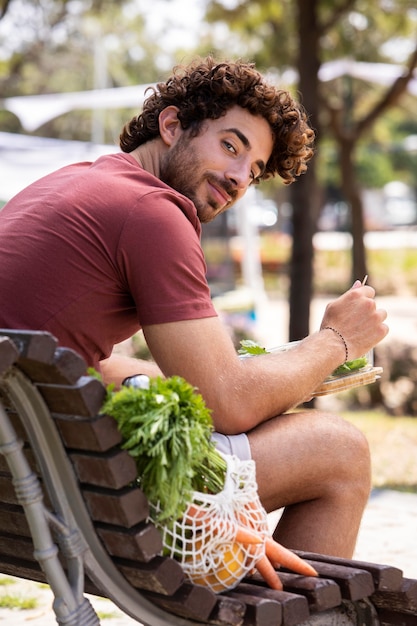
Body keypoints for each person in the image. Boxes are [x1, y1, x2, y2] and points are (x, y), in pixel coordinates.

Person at [0, 56, 388, 558]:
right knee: (340, 451)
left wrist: (220, 378)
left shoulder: (67, 184)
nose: (237, 179)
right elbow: (228, 405)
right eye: (230, 145)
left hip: (15, 475)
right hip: (62, 489)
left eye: (253, 172)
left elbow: (74, 362)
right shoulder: (153, 213)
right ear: (172, 124)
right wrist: (337, 342)